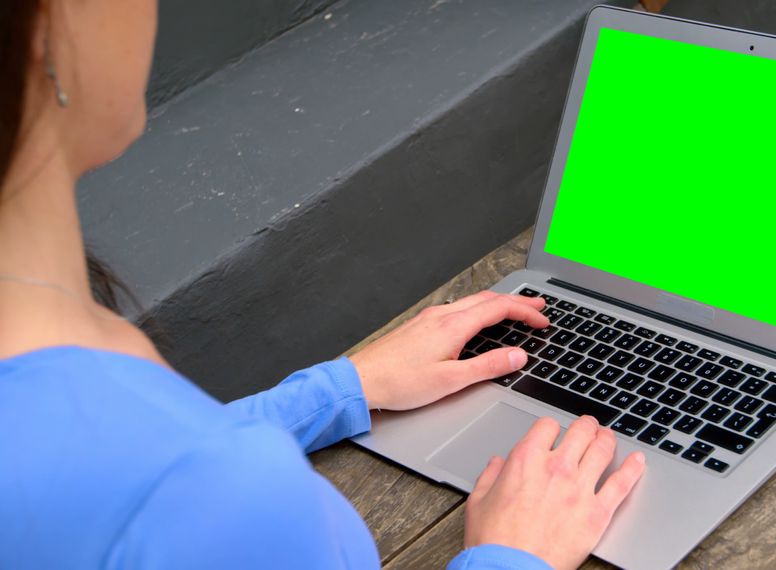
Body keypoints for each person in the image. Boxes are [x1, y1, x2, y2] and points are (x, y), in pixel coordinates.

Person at [0, 1, 646, 568]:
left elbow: (115, 479)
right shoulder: (218, 498)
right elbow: (162, 493)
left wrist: (338, 390)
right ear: (49, 29)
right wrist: (514, 557)